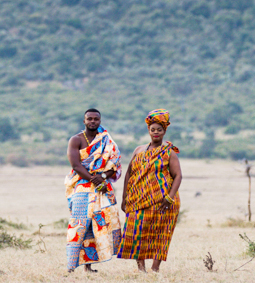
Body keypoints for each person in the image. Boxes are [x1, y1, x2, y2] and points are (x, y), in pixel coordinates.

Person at [118, 109, 182, 272]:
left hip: (163, 201)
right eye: (152, 129)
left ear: (164, 131)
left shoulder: (169, 152)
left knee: (160, 234)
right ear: (148, 130)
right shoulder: (138, 150)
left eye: (159, 130)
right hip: (138, 199)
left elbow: (178, 176)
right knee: (136, 233)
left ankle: (155, 269)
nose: (155, 132)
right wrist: (125, 198)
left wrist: (169, 198)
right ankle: (141, 269)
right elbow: (128, 174)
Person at [65, 108, 123, 272]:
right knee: (79, 226)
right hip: (82, 187)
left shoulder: (106, 141)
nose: (92, 122)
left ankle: (88, 267)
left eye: (96, 119)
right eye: (89, 119)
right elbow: (76, 165)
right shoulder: (75, 140)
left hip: (103, 188)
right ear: (84, 121)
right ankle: (71, 267)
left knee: (97, 226)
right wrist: (94, 179)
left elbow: (115, 163)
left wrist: (103, 177)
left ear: (100, 121)